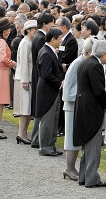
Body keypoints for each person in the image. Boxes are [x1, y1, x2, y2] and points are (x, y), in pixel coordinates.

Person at [73, 40, 106, 188]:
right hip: (92, 107)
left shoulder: (84, 62)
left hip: (82, 104)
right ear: (104, 53)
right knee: (93, 144)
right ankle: (92, 178)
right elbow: (98, 91)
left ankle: (84, 176)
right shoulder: (95, 65)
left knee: (86, 143)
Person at [62, 38, 94, 181]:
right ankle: (69, 168)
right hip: (73, 105)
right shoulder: (78, 63)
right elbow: (68, 88)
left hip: (76, 103)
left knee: (74, 137)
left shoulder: (81, 62)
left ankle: (71, 167)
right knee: (71, 137)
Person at [33, 28, 64, 156]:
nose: (61, 40)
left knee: (53, 119)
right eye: (60, 38)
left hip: (50, 89)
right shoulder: (46, 52)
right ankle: (45, 147)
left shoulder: (48, 51)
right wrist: (59, 83)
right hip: (48, 90)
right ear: (53, 39)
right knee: (48, 119)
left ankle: (51, 145)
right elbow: (46, 74)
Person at [14, 20, 38, 144]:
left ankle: (23, 133)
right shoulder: (25, 43)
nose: (36, 31)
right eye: (34, 29)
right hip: (24, 79)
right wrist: (24, 80)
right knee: (24, 108)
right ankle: (21, 133)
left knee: (27, 108)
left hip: (27, 78)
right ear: (28, 30)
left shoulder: (29, 42)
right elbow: (23, 63)